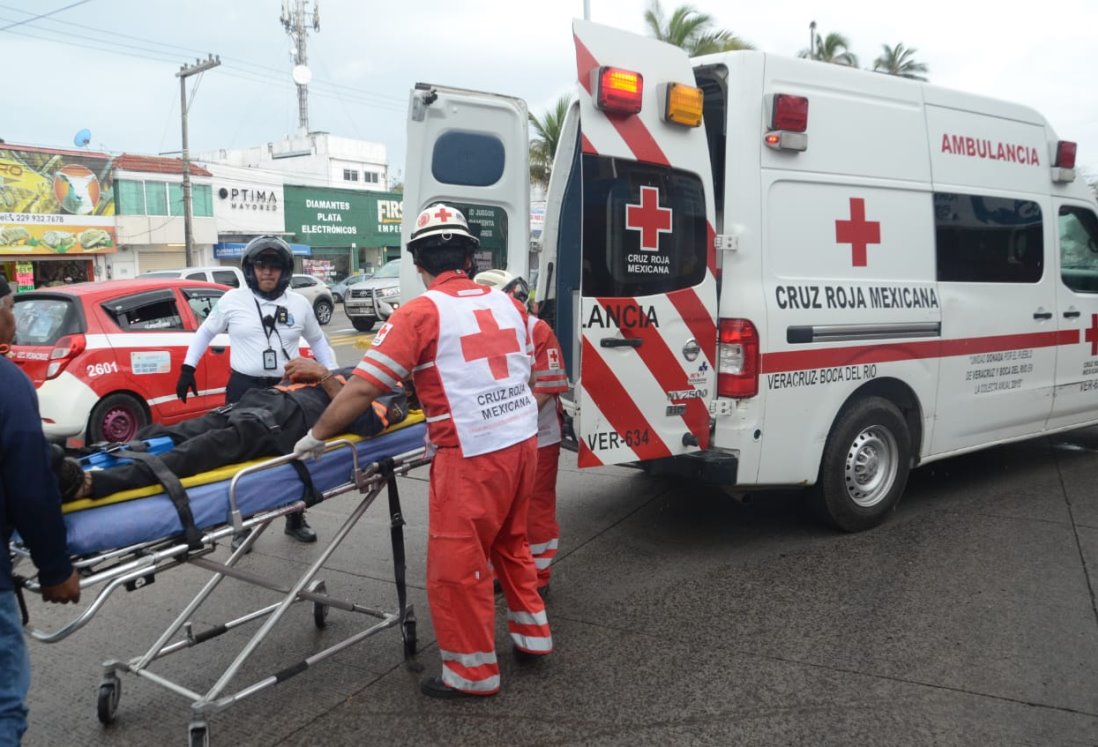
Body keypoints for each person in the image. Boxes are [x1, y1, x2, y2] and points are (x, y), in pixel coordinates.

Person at [292, 204, 552, 699]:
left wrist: (317, 435)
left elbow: (365, 387)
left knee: (458, 566)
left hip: (472, 456)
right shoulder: (511, 306)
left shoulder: (420, 312)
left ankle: (473, 674)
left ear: (417, 263)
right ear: (470, 258)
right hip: (521, 443)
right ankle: (533, 638)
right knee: (512, 544)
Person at [176, 236, 338, 543]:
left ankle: (295, 516)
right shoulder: (231, 301)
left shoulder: (299, 304)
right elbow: (204, 333)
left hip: (286, 391)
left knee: (293, 451)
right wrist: (188, 368)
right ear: (251, 269)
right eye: (261, 266)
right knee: (241, 455)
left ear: (285, 271)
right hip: (243, 388)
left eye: (274, 267)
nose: (267, 273)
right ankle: (243, 525)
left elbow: (318, 340)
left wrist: (331, 373)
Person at [61, 357, 403, 502]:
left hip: (278, 425)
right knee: (169, 433)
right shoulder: (364, 369)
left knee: (195, 452)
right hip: (259, 403)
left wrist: (324, 375)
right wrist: (299, 377)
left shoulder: (396, 394)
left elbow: (367, 422)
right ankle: (79, 460)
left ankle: (94, 483)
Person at [0, 276, 82, 745]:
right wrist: (54, 567)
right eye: (11, 308)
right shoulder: (7, 383)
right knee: (3, 707)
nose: (15, 321)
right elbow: (29, 486)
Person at [473, 269, 567, 596]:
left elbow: (549, 384)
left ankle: (537, 579)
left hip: (539, 437)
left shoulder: (536, 330)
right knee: (500, 511)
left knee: (535, 509)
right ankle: (505, 571)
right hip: (497, 438)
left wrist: (511, 417)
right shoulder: (477, 329)